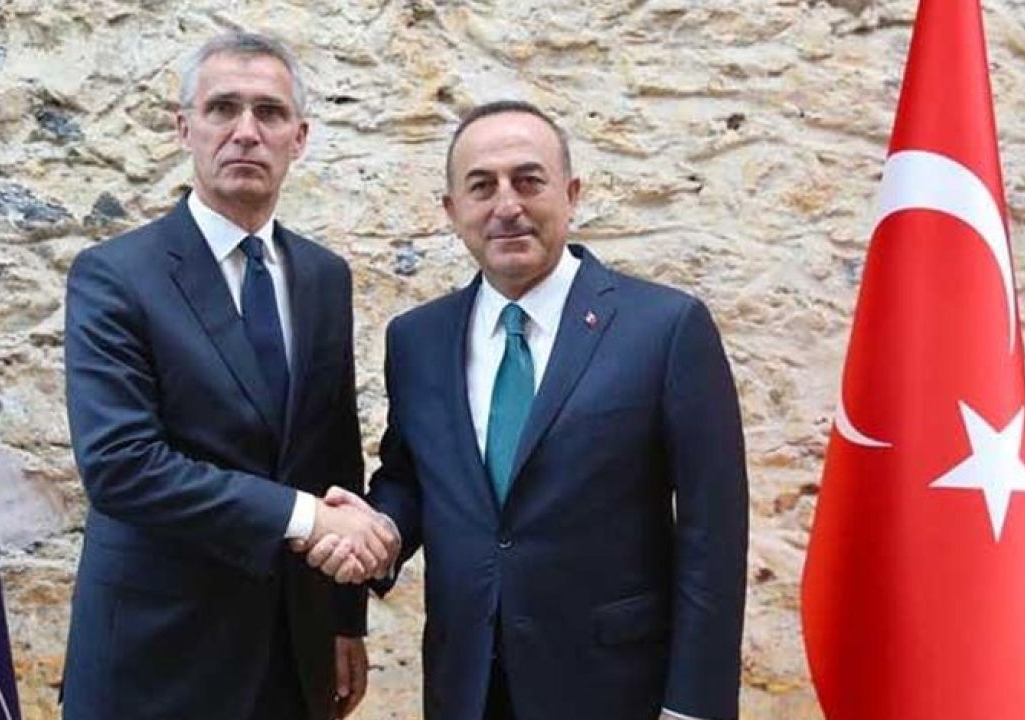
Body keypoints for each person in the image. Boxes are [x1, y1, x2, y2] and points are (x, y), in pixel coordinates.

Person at [304, 101, 748, 719]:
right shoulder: (417, 338)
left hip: (613, 690)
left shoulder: (666, 328)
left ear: (571, 194)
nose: (506, 205)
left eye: (528, 180)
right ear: (452, 210)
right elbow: (413, 479)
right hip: (466, 687)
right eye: (482, 186)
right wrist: (381, 531)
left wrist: (695, 708)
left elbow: (713, 534)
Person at [60, 32, 397, 720]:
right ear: (185, 128)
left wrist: (344, 619)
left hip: (291, 654)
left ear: (299, 138)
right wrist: (303, 517)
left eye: (269, 112)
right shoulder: (115, 276)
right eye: (223, 108)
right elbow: (122, 465)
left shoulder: (324, 278)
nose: (246, 131)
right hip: (156, 659)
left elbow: (332, 452)